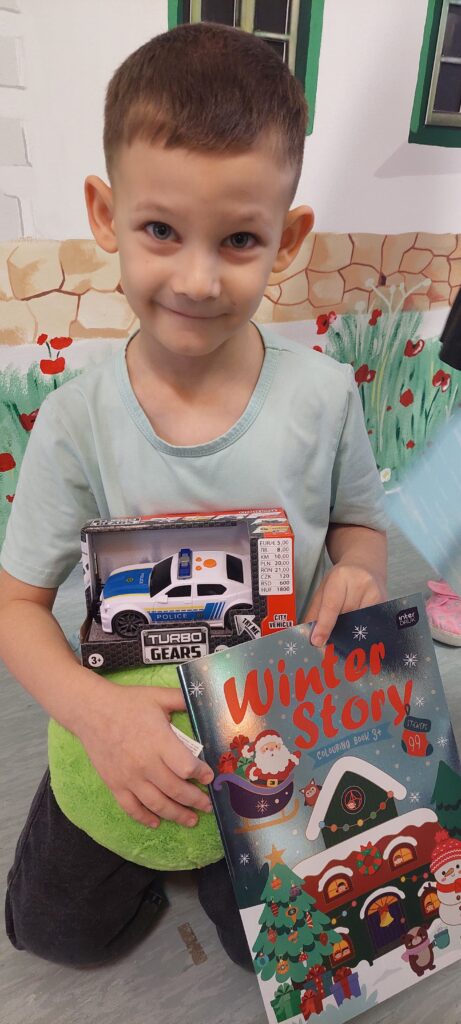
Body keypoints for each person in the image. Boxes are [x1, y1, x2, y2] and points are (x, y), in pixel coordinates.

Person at [0, 22, 387, 970]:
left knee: (276, 956)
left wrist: (358, 573)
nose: (199, 279)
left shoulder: (324, 397)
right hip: (123, 717)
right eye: (160, 231)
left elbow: (357, 526)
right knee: (50, 935)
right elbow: (14, 605)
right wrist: (94, 716)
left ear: (287, 240)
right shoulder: (77, 421)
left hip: (270, 722)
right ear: (105, 215)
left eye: (240, 239)